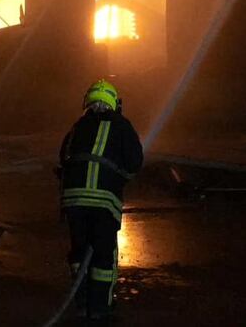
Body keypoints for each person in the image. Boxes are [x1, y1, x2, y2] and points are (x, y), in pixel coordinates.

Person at [58, 79, 144, 319]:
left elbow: (63, 158)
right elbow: (135, 162)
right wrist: (120, 177)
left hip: (74, 202)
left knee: (79, 253)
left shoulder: (77, 126)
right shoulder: (122, 126)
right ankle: (100, 308)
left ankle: (81, 304)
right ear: (114, 103)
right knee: (103, 257)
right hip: (104, 203)